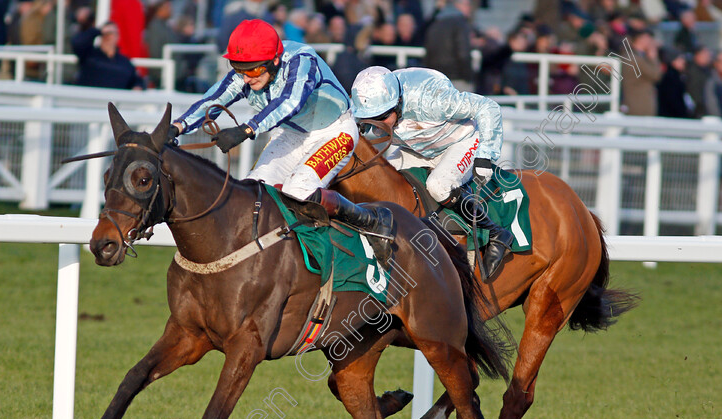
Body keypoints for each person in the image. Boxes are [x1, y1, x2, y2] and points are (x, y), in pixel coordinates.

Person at [170, 19, 393, 242]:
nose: (247, 77)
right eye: (239, 69)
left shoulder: (302, 60)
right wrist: (177, 127)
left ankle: (369, 221)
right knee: (253, 194)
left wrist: (247, 130)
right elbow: (214, 98)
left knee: (298, 191)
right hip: (291, 135)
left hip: (334, 132)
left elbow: (291, 102)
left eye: (254, 70)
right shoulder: (250, 70)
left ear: (275, 60)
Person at [350, 65, 514, 279]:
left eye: (383, 116)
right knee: (380, 180)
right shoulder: (367, 101)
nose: (379, 125)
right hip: (419, 147)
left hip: (461, 140)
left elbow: (488, 107)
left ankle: (495, 232)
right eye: (372, 119)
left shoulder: (431, 99)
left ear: (398, 102)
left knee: (438, 186)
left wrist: (486, 155)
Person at [71, 21, 145, 90]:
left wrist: (137, 87)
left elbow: (137, 81)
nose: (109, 37)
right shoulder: (89, 55)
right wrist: (97, 31)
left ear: (117, 36)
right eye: (106, 34)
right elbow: (77, 43)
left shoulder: (124, 62)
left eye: (112, 33)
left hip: (114, 102)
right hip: (90, 100)